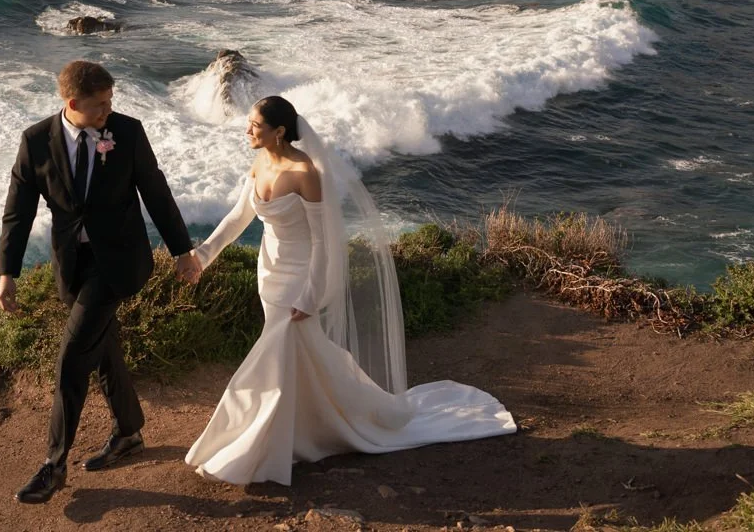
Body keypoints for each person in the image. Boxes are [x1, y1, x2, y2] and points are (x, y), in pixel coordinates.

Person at [182, 95, 516, 486]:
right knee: (300, 357)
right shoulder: (259, 162)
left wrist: (311, 294)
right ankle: (308, 426)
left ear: (279, 131)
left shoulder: (304, 171)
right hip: (268, 274)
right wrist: (202, 256)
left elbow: (323, 241)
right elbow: (238, 217)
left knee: (274, 355)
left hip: (300, 276)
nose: (247, 130)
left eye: (255, 125)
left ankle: (260, 442)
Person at [0, 60, 199, 504]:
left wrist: (183, 252)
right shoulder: (35, 142)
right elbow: (18, 210)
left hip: (120, 263)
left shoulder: (126, 132)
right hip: (73, 265)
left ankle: (53, 464)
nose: (109, 111)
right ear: (72, 104)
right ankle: (129, 432)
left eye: (110, 101)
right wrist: (6, 273)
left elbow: (156, 192)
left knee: (72, 356)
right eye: (100, 105)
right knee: (103, 348)